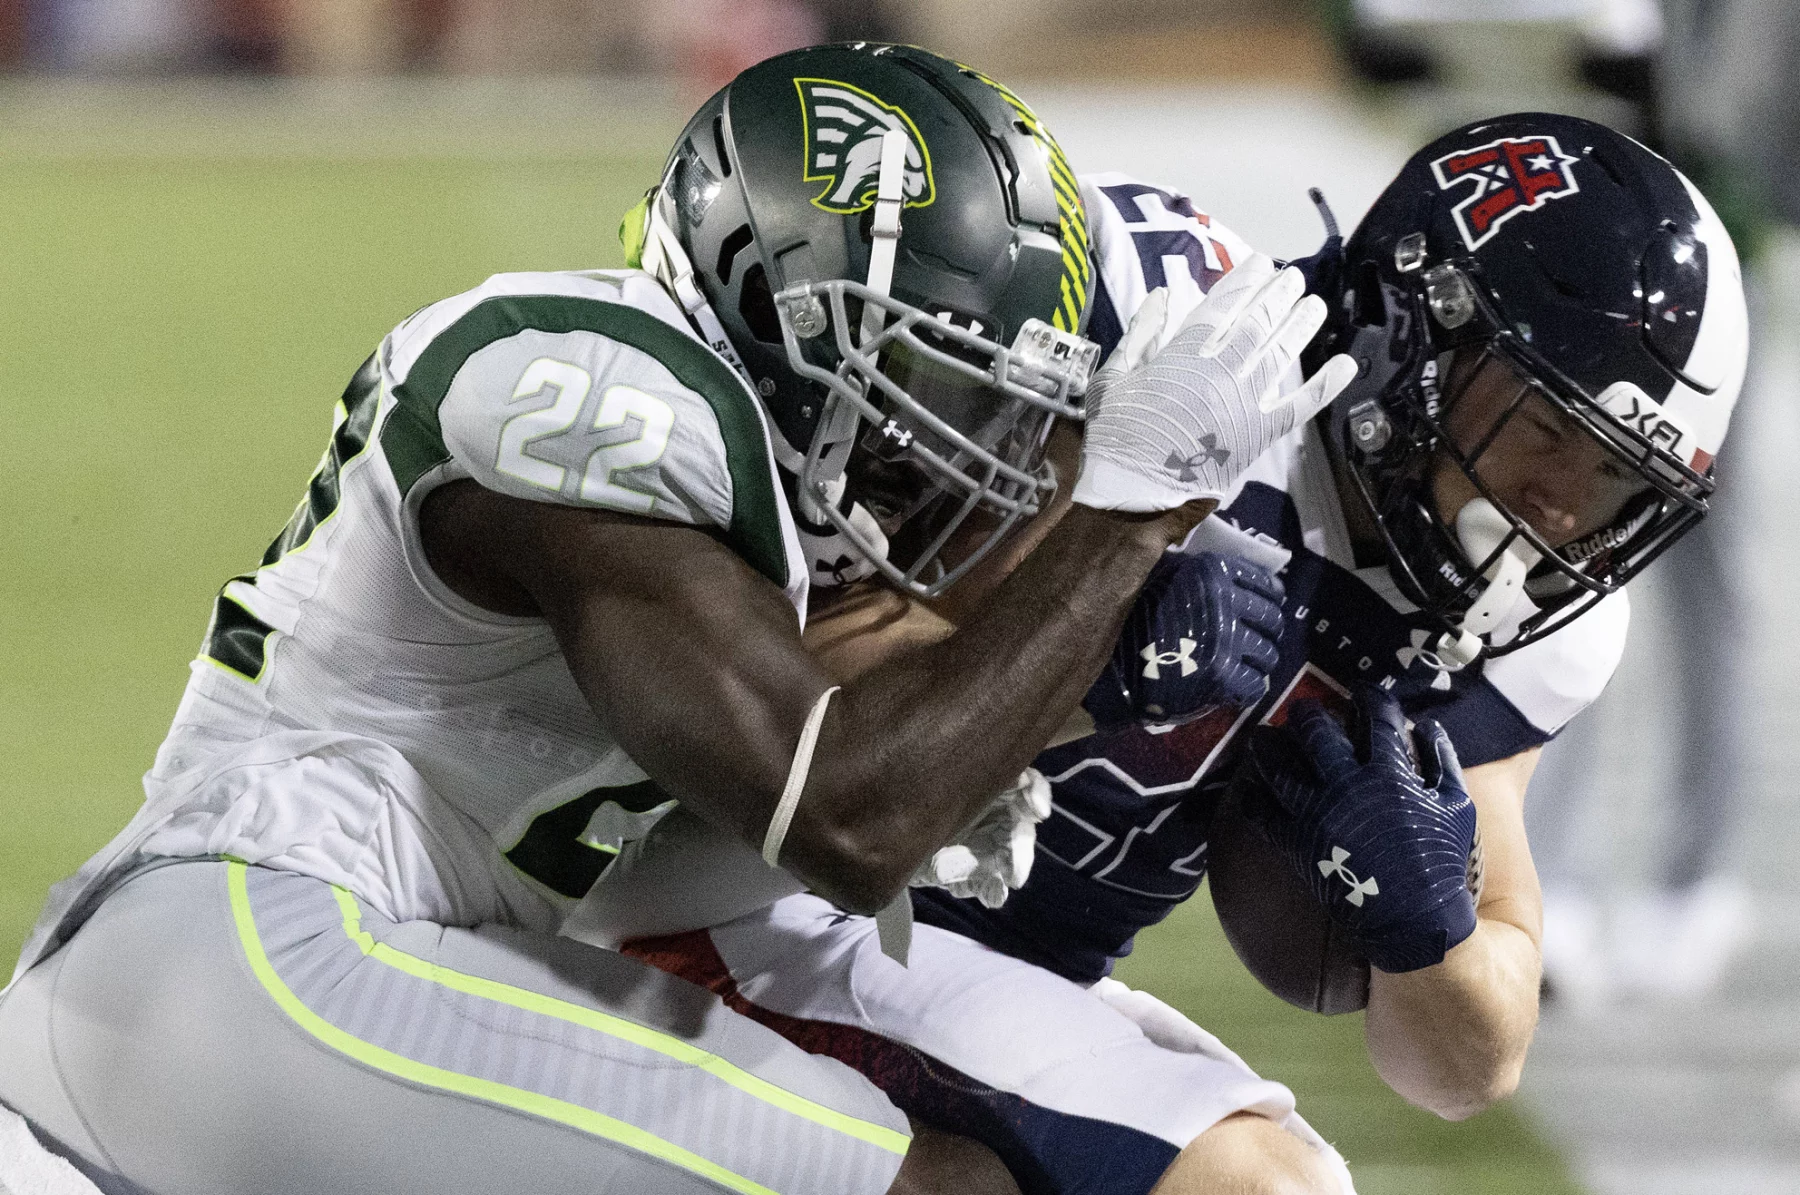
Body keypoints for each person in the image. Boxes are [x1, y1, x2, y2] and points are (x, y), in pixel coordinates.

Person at [0, 43, 1358, 1195]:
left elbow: (823, 748)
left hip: (366, 960)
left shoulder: (736, 485)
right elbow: (842, 812)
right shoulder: (591, 380)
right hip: (248, 951)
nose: (949, 440)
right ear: (772, 298)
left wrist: (1071, 681)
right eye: (924, 370)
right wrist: (1123, 521)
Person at [616, 114, 1752, 1195]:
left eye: (1614, 478)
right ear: (1422, 333)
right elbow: (776, 671)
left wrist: (1429, 930)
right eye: (1545, 431)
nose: (1560, 510)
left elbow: (1461, 1068)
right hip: (757, 893)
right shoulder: (1166, 332)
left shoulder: (1518, 625)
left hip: (964, 971)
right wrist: (1080, 652)